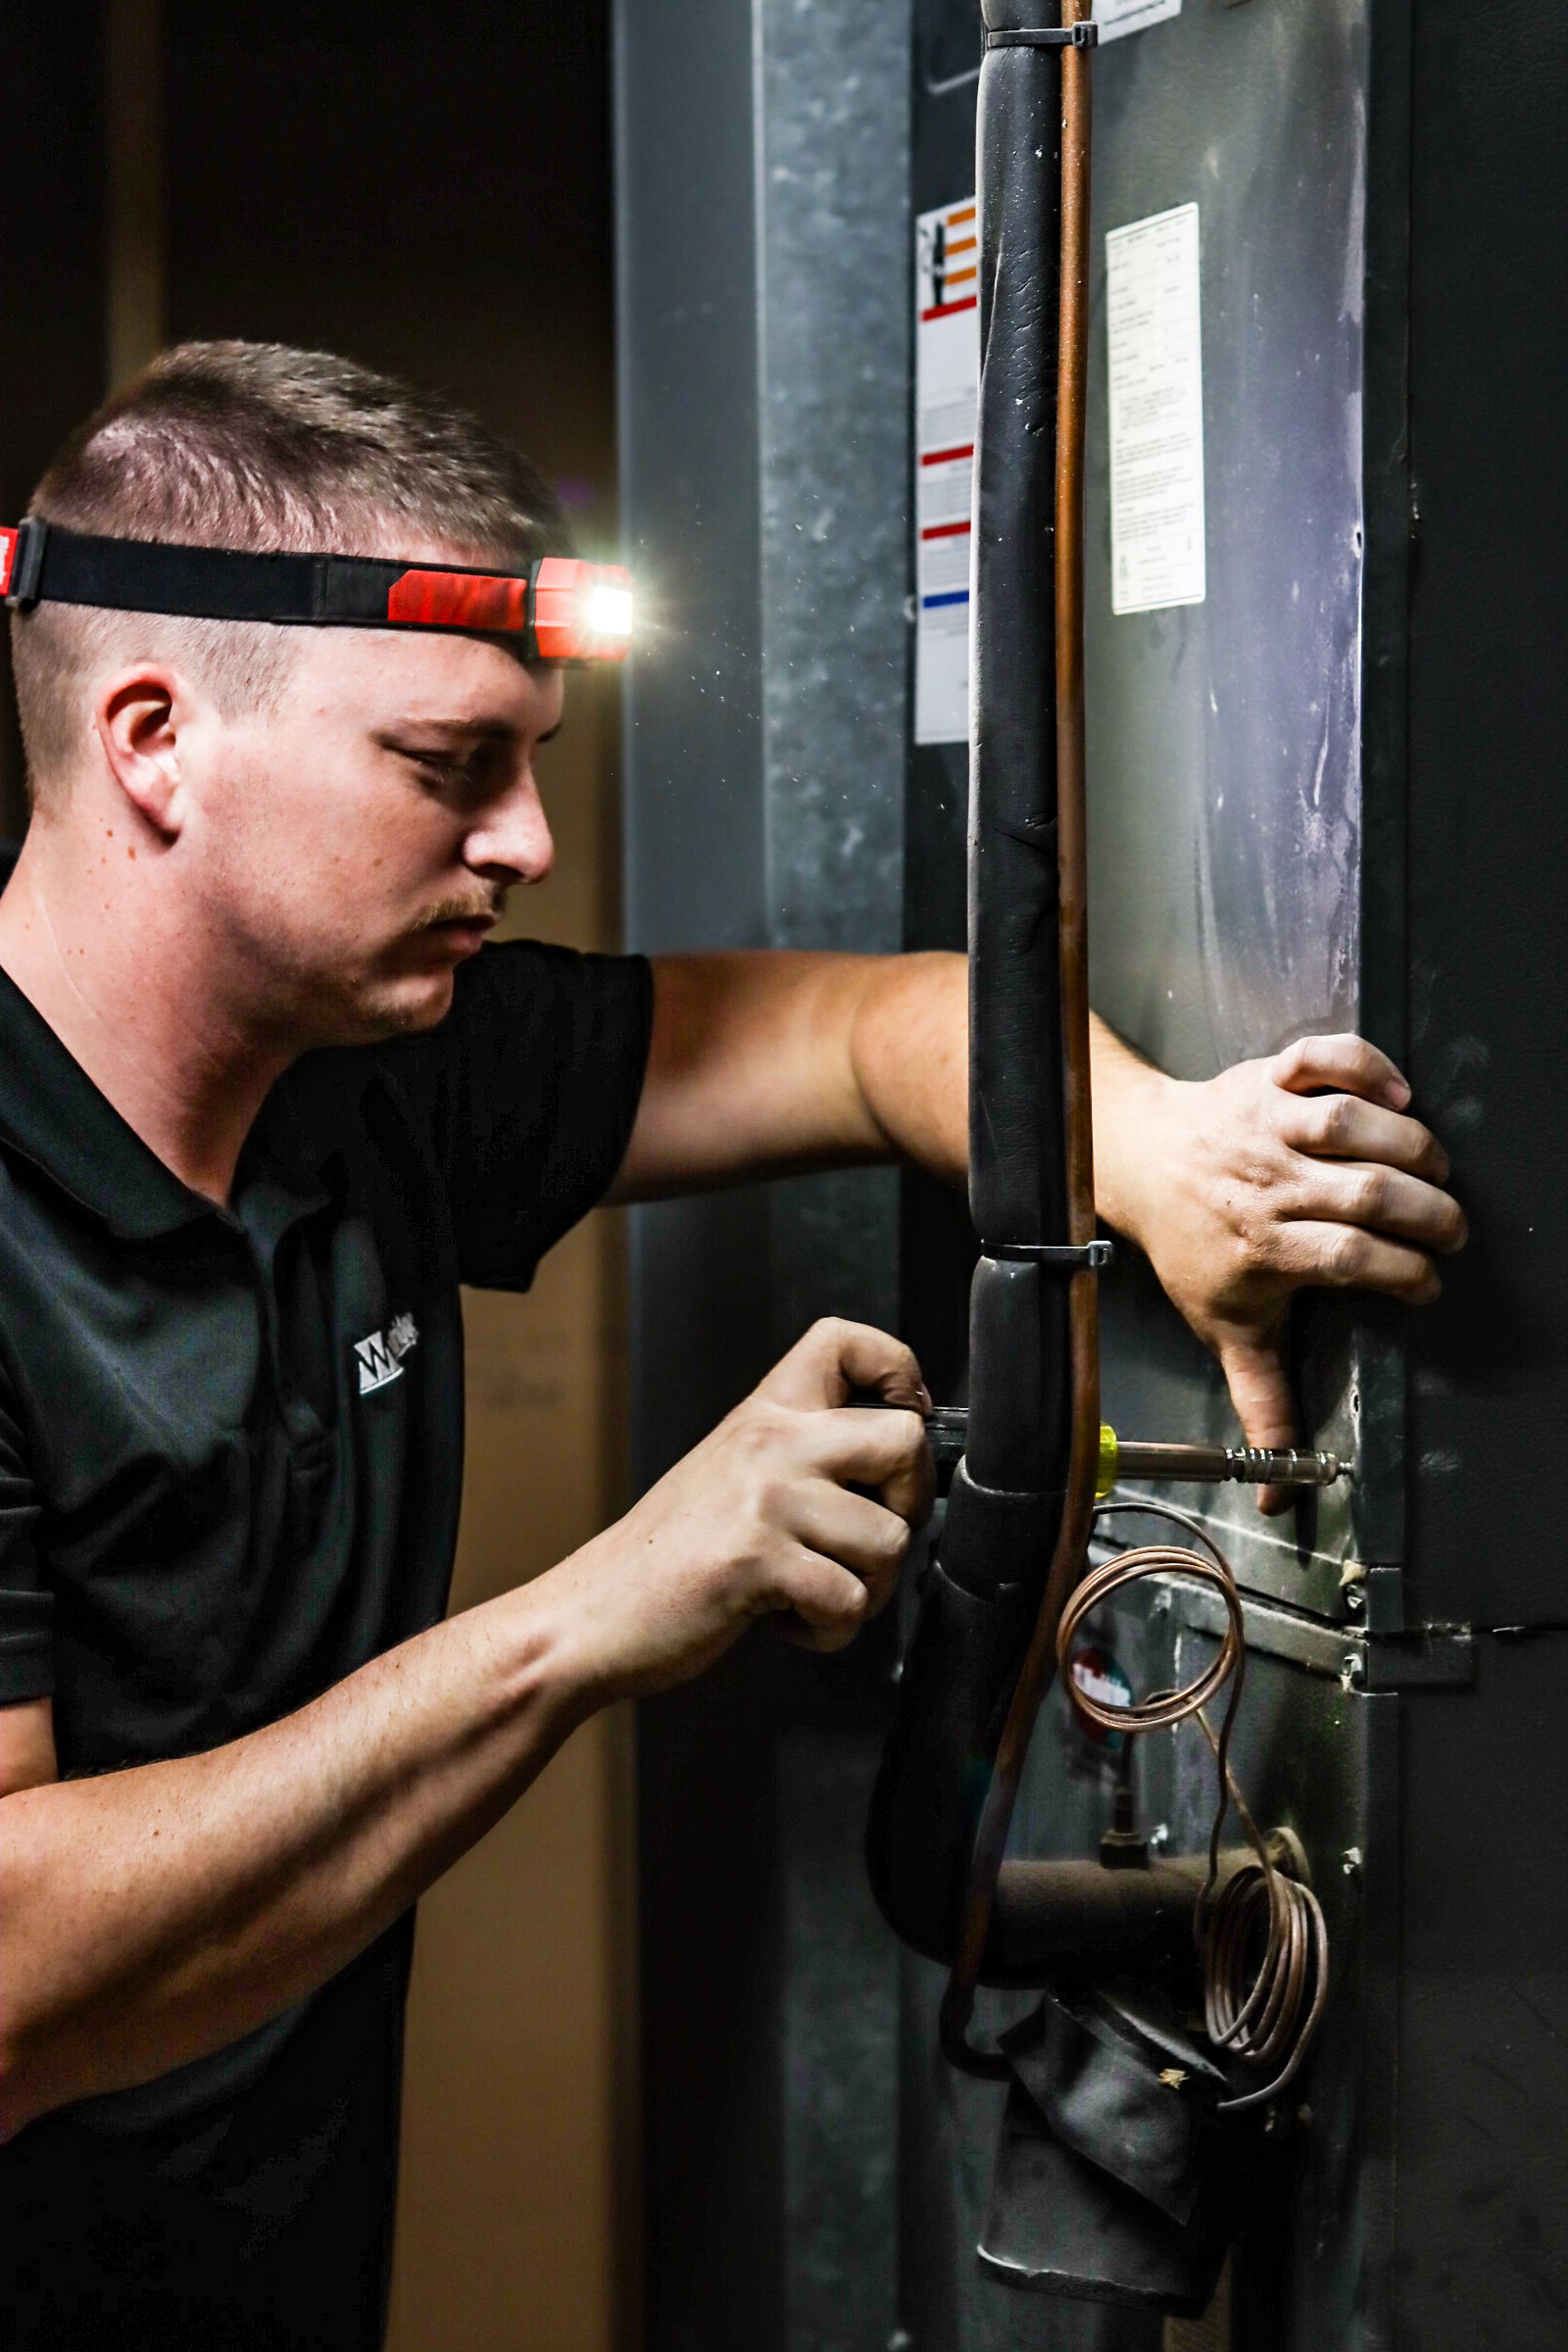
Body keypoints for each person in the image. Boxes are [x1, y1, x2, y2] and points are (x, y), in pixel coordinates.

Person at [0, 344, 1465, 2350]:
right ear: (155, 741)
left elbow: (859, 1032)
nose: (521, 841)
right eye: (447, 768)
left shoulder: (373, 1085)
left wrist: (1165, 1150)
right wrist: (607, 1602)